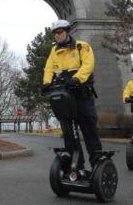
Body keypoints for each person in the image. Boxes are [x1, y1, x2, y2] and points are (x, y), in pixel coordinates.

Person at [43, 19, 102, 168]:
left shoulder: (82, 47)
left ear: (67, 32)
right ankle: (77, 166)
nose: (57, 35)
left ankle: (97, 164)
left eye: (60, 32)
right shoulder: (54, 51)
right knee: (69, 134)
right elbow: (49, 68)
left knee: (89, 131)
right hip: (65, 98)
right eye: (55, 33)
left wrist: (77, 79)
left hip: (82, 95)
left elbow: (88, 65)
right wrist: (46, 83)